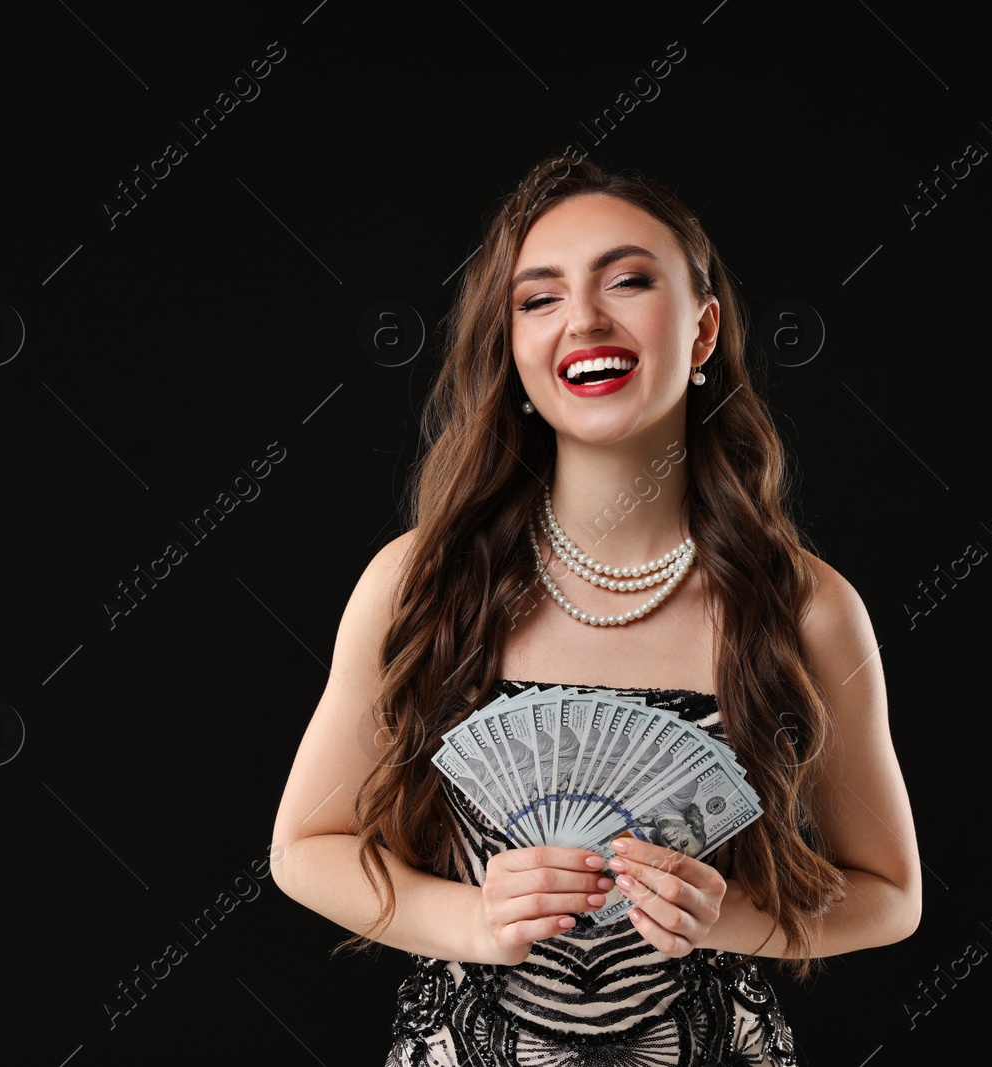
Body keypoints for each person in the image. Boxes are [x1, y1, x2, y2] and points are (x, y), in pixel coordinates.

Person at [270, 155, 922, 1066]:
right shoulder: (419, 580)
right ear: (514, 348)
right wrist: (470, 915)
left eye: (627, 279)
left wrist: (730, 916)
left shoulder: (807, 608)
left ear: (702, 333)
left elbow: (891, 892)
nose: (584, 319)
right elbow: (303, 845)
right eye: (538, 298)